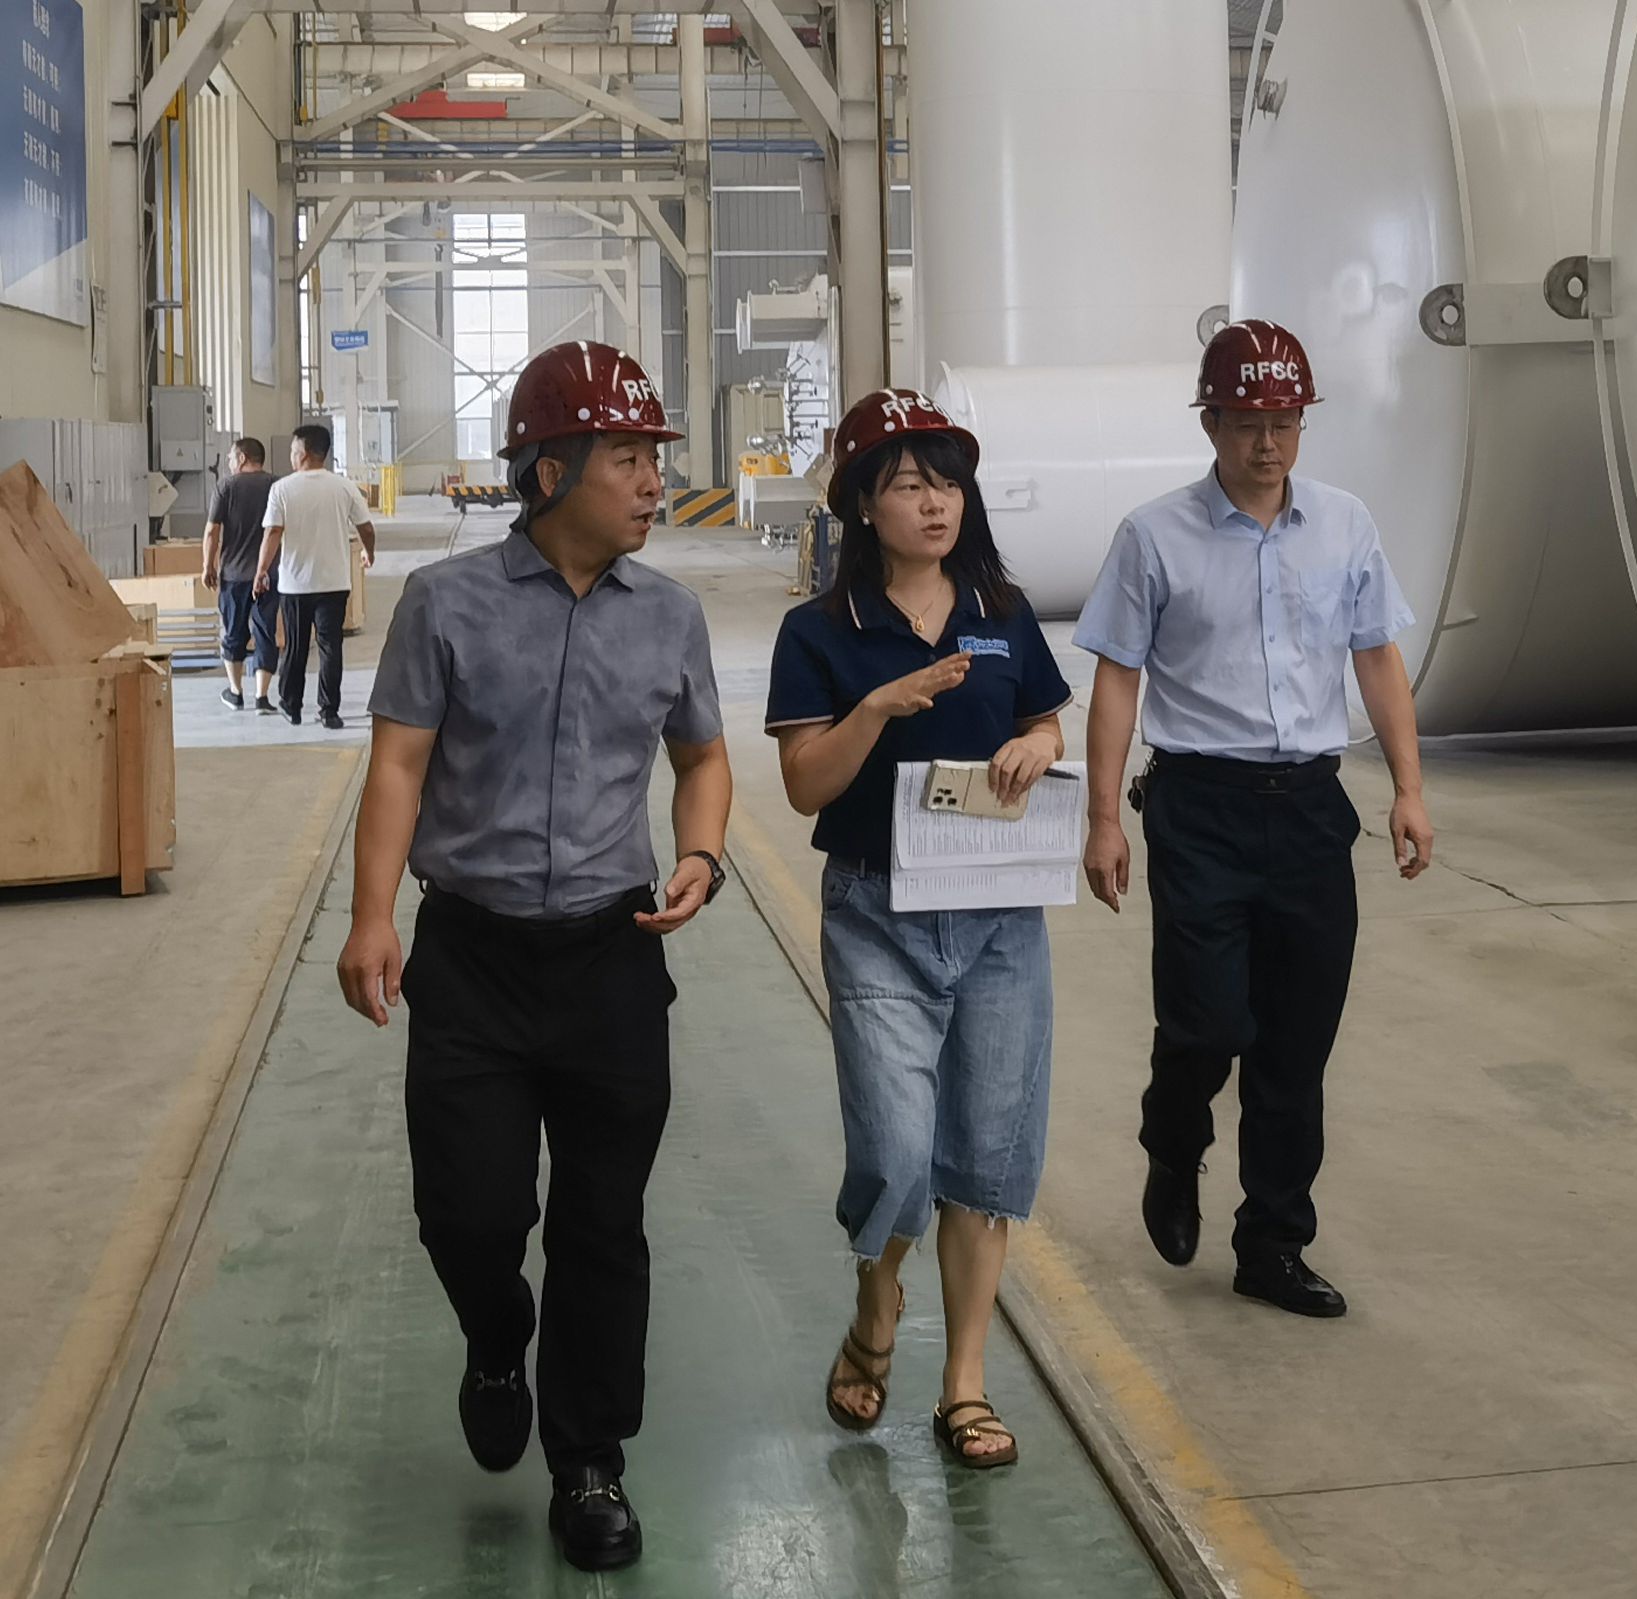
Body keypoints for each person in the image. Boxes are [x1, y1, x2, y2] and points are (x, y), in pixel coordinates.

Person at [334, 341, 731, 1572]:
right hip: (473, 958)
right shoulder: (444, 604)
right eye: (627, 458)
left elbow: (703, 756)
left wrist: (701, 855)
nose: (653, 482)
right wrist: (371, 914)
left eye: (655, 458)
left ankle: (589, 1460)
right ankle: (496, 1333)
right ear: (549, 470)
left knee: (604, 1223)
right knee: (469, 1213)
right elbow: (398, 766)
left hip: (612, 956)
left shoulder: (669, 616)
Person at [1075, 320, 1433, 1321]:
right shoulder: (1153, 536)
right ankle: (1172, 1139)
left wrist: (1408, 789)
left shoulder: (1345, 525)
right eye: (1245, 423)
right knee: (1208, 1023)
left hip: (1310, 808)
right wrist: (1104, 819)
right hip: (1199, 807)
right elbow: (1117, 679)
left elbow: (1376, 658)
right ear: (1211, 423)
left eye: (1283, 422)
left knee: (1294, 1046)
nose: (1266, 444)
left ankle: (1272, 1244)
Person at [765, 389, 1071, 1470]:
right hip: (878, 912)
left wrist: (1037, 745)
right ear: (863, 504)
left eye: (947, 484)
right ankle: (877, 1297)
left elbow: (1043, 717)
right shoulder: (820, 631)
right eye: (907, 485)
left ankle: (965, 1385)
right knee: (896, 1148)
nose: (935, 504)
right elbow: (804, 785)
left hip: (998, 914)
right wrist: (876, 709)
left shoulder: (1001, 610)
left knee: (986, 1153)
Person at [253, 424, 376, 729]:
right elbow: (366, 527)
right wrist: (368, 552)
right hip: (334, 583)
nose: (291, 456)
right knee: (330, 647)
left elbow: (273, 532)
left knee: (295, 646)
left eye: (293, 451)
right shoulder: (344, 487)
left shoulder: (282, 489)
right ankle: (329, 710)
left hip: (295, 585)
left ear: (304, 453)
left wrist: (261, 571)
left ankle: (291, 705)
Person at [200, 437, 280, 712]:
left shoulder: (226, 487)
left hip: (234, 575)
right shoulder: (276, 485)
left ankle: (235, 692)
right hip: (268, 575)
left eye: (231, 457)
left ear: (243, 458)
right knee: (265, 632)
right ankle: (262, 697)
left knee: (233, 631)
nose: (229, 462)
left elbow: (212, 531)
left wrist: (208, 566)